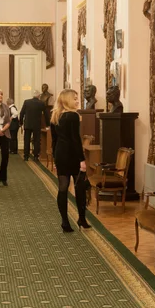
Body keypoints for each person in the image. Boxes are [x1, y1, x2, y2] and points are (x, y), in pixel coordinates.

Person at [50, 89, 91, 233]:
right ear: (67, 100)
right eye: (75, 98)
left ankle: (65, 222)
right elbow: (75, 140)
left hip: (61, 154)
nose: (77, 101)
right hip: (73, 155)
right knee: (79, 187)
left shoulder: (55, 115)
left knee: (62, 188)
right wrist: (82, 160)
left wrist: (55, 158)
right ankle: (82, 218)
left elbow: (54, 141)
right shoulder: (73, 116)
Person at [19, 90, 49, 161]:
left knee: (26, 140)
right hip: (37, 125)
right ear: (39, 96)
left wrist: (21, 123)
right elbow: (46, 115)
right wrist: (48, 125)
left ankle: (26, 156)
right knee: (36, 141)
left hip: (28, 124)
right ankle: (36, 156)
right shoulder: (41, 103)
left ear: (33, 95)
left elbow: (21, 113)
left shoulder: (27, 102)